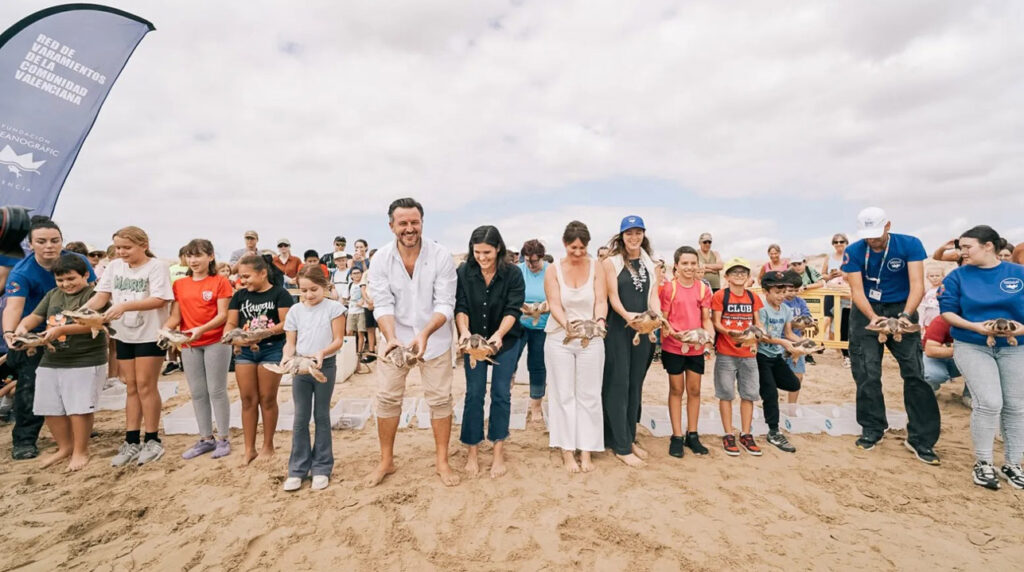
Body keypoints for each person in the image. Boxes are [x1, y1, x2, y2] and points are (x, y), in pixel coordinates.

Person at [365, 198, 460, 487]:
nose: (410, 228)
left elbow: (445, 303)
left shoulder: (441, 255)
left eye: (414, 222)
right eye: (403, 223)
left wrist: (425, 334)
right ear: (391, 225)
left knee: (440, 400)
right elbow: (382, 303)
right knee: (387, 398)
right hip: (395, 339)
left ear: (422, 223)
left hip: (435, 338)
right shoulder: (380, 259)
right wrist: (391, 337)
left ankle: (442, 461)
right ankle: (386, 460)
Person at [842, 207, 939, 464]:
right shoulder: (854, 251)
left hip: (902, 306)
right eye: (867, 235)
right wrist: (873, 318)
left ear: (888, 226)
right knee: (866, 372)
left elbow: (917, 284)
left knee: (915, 372)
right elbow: (856, 291)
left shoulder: (910, 244)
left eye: (876, 234)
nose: (872, 240)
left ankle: (921, 437)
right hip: (866, 310)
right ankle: (872, 427)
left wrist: (906, 315)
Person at [938, 225, 1024, 490]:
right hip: (972, 344)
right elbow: (947, 311)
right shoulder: (957, 276)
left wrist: (1021, 330)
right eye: (960, 247)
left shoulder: (1018, 273)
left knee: (1015, 405)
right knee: (988, 402)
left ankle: (1013, 463)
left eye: (967, 247)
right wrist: (975, 327)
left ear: (988, 246)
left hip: (1015, 346)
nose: (962, 252)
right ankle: (984, 463)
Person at [2, 218, 95, 460]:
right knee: (31, 387)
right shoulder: (22, 272)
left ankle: (77, 431)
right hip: (36, 334)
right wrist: (11, 333)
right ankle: (24, 439)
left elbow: (94, 293)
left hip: (75, 330)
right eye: (41, 241)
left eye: (55, 240)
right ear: (30, 244)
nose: (49, 246)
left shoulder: (78, 261)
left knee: (74, 386)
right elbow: (13, 307)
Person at [84, 226, 173, 467]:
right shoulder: (114, 267)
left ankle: (152, 438)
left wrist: (124, 306)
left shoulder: (157, 267)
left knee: (146, 385)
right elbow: (101, 296)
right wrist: (81, 312)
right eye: (118, 247)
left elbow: (160, 299)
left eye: (127, 247)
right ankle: (131, 439)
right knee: (131, 386)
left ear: (143, 245)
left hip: (150, 334)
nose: (121, 252)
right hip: (123, 333)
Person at [12, 255, 106, 471]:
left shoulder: (94, 296)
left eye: (71, 279)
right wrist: (22, 328)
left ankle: (81, 451)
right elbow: (35, 316)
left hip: (85, 359)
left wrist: (62, 329)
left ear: (85, 275)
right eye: (60, 280)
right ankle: (65, 447)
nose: (66, 284)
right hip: (51, 359)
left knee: (79, 408)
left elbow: (96, 324)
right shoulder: (53, 294)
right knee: (49, 406)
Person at [455, 226, 525, 479]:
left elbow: (513, 309)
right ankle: (472, 451)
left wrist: (499, 335)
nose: (482, 258)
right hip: (474, 343)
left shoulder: (513, 273)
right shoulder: (464, 271)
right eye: (477, 252)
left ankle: (498, 451)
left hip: (506, 341)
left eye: (487, 252)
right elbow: (461, 306)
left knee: (500, 393)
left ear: (498, 249)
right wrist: (464, 332)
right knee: (474, 393)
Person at [544, 221, 607, 473]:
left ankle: (587, 450)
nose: (578, 252)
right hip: (560, 337)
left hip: (591, 337)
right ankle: (567, 450)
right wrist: (566, 324)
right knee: (563, 394)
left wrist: (599, 321)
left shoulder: (597, 266)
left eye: (582, 248)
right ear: (564, 244)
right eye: (573, 248)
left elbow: (601, 300)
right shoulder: (553, 269)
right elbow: (554, 303)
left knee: (589, 394)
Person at [165, 239, 233, 460]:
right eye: (189, 256)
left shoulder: (220, 281)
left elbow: (223, 315)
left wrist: (201, 329)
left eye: (198, 255)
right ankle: (206, 438)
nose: (193, 260)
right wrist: (165, 330)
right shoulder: (180, 284)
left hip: (216, 341)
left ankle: (223, 438)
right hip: (189, 344)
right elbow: (175, 316)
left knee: (217, 390)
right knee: (197, 392)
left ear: (210, 257)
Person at [602, 215, 661, 468]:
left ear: (644, 235)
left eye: (638, 233)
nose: (634, 237)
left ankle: (629, 436)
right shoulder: (611, 262)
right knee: (618, 383)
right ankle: (621, 445)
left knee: (635, 385)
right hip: (619, 328)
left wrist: (656, 318)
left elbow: (654, 296)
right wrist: (629, 318)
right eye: (629, 233)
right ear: (622, 236)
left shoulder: (651, 263)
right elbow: (612, 297)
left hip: (643, 330)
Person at [282, 264, 346, 491]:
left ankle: (321, 467)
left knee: (321, 415)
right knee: (300, 417)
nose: (308, 295)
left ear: (325, 287)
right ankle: (297, 469)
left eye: (313, 290)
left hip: (324, 365)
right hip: (300, 367)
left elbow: (338, 340)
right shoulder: (295, 311)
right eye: (304, 290)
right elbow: (290, 343)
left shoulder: (334, 308)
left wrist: (322, 353)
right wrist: (286, 357)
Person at [227, 254, 292, 465]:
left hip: (272, 349)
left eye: (247, 276)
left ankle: (268, 445)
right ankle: (249, 448)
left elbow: (286, 323)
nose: (243, 281)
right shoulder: (239, 296)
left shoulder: (280, 294)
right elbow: (231, 323)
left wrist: (264, 333)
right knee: (247, 399)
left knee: (267, 398)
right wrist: (233, 337)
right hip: (245, 351)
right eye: (240, 277)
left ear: (263, 273)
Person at [658, 245, 713, 458]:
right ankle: (676, 436)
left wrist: (709, 338)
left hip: (695, 348)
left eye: (693, 263)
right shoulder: (669, 288)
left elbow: (706, 319)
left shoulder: (703, 289)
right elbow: (663, 319)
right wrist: (674, 334)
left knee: (695, 390)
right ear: (676, 265)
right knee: (676, 389)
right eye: (685, 263)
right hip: (673, 346)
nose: (689, 267)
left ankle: (693, 434)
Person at [711, 258, 764, 456]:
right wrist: (729, 332)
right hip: (726, 352)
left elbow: (757, 322)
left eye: (743, 272)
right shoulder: (720, 296)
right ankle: (728, 433)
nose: (739, 275)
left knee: (749, 394)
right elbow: (716, 322)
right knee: (725, 393)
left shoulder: (753, 297)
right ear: (727, 276)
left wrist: (757, 334)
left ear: (748, 276)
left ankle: (746, 433)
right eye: (735, 272)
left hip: (748, 353)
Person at [756, 271, 804, 453]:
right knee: (771, 394)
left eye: (783, 292)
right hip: (762, 356)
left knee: (794, 384)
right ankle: (774, 431)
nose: (781, 296)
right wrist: (784, 343)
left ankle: (764, 384)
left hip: (776, 356)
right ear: (765, 291)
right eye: (777, 292)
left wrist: (804, 344)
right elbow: (762, 336)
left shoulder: (786, 310)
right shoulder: (761, 309)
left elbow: (789, 333)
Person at [516, 239, 549, 424]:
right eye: (527, 260)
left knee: (537, 365)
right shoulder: (518, 270)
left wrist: (544, 306)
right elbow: (511, 294)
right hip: (520, 323)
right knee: (509, 360)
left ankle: (536, 405)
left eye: (534, 261)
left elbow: (557, 296)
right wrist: (523, 306)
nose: (531, 265)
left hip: (542, 325)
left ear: (542, 257)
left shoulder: (551, 271)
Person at [822, 233, 852, 366]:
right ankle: (833, 348)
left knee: (844, 322)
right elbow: (822, 275)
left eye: (841, 241)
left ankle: (845, 352)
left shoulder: (851, 256)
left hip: (846, 293)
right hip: (831, 291)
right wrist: (830, 276)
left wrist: (843, 274)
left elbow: (857, 273)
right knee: (828, 319)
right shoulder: (829, 257)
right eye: (836, 242)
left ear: (846, 242)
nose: (839, 244)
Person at [783, 272, 812, 401]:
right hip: (780, 342)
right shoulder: (780, 302)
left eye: (796, 290)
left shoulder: (800, 302)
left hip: (797, 342)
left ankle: (792, 406)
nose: (793, 293)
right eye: (790, 290)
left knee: (798, 376)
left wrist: (805, 322)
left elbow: (807, 317)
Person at [922, 315, 965, 398]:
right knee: (933, 374)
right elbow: (930, 351)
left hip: (958, 359)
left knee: (982, 362)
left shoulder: (978, 320)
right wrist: (963, 349)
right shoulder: (942, 320)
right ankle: (931, 389)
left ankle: (970, 396)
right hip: (934, 358)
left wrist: (949, 347)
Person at [345, 266, 368, 353]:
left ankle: (359, 353)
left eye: (358, 273)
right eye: (354, 273)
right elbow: (345, 297)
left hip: (361, 311)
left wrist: (363, 300)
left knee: (360, 333)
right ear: (351, 275)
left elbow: (368, 295)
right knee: (349, 332)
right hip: (351, 311)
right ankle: (351, 352)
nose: (356, 275)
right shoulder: (350, 285)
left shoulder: (365, 285)